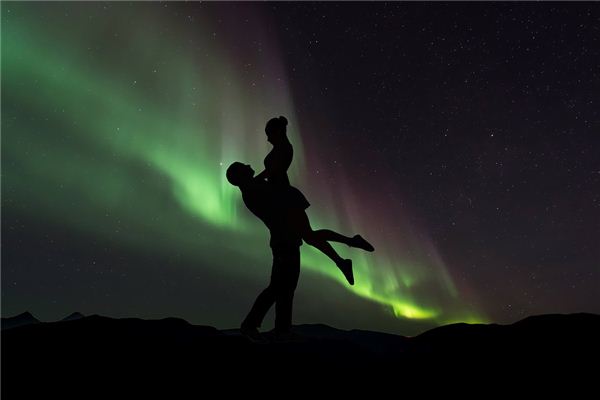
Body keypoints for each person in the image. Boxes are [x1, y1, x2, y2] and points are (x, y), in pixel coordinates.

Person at [255, 116, 374, 285]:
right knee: (309, 236)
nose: (267, 138)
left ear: (278, 131)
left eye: (269, 133)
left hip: (285, 197)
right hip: (282, 196)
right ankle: (345, 255)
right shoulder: (283, 148)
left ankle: (348, 249)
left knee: (309, 236)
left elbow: (273, 171)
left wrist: (255, 181)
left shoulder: (284, 148)